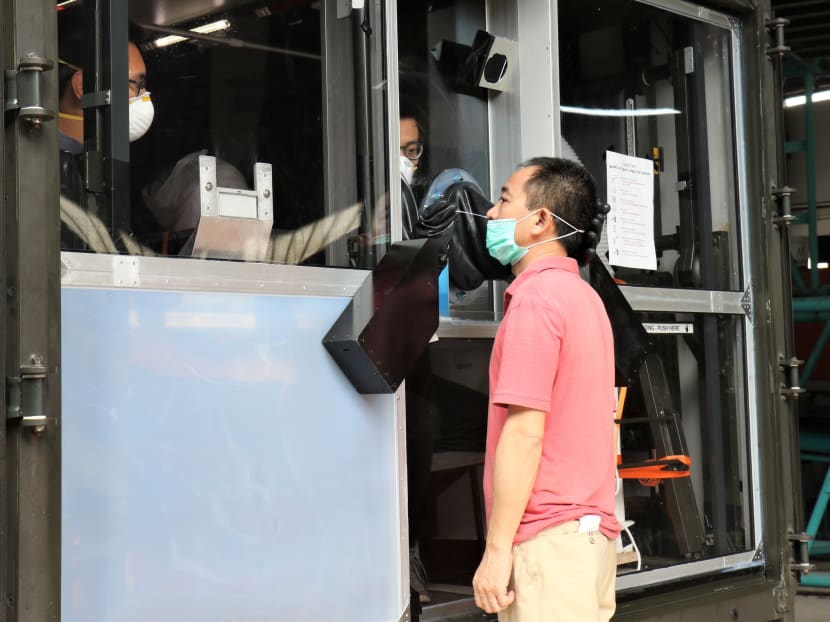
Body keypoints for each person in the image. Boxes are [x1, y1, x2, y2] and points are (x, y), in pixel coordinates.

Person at [472, 157, 620, 621]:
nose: (491, 214)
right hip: (588, 541)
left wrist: (496, 553)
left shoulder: (535, 303)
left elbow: (525, 433)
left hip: (548, 548)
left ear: (539, 220)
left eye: (503, 199)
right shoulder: (584, 297)